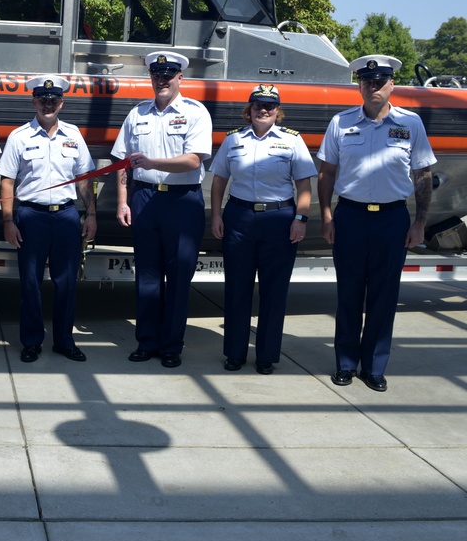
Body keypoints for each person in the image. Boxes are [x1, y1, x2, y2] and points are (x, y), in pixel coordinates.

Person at [318, 55, 435, 392]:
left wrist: (419, 222)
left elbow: (422, 174)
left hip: (392, 219)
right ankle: (345, 363)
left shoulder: (410, 124)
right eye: (367, 81)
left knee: (384, 297)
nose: (373, 86)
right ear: (359, 85)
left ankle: (374, 366)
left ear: (391, 84)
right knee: (349, 294)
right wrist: (327, 215)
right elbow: (327, 174)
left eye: (380, 81)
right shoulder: (341, 123)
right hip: (350, 217)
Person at [111, 51, 212, 368]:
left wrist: (152, 162)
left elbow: (194, 159)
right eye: (157, 74)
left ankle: (171, 345)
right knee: (148, 275)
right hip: (144, 199)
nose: (162, 79)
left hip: (182, 202)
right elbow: (122, 161)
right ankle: (147, 341)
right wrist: (123, 200)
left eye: (169, 74)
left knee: (179, 276)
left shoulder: (196, 113)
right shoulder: (137, 114)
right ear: (151, 78)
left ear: (180, 77)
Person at [210, 84, 316, 374]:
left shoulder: (292, 141)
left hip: (279, 220)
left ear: (277, 111)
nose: (263, 110)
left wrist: (301, 219)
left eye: (270, 105)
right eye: (258, 105)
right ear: (249, 109)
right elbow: (219, 180)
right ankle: (234, 353)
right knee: (237, 288)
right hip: (239, 218)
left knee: (274, 290)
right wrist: (216, 215)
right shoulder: (233, 141)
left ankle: (267, 355)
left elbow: (304, 185)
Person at [0, 75, 97, 363]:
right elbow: (7, 182)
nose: (48, 104)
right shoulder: (19, 137)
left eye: (53, 100)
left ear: (61, 103)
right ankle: (31, 341)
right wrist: (7, 220)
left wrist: (90, 214)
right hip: (31, 217)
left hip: (66, 216)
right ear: (34, 101)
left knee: (66, 283)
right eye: (42, 99)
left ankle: (64, 341)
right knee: (30, 283)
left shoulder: (73, 135)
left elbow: (85, 179)